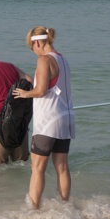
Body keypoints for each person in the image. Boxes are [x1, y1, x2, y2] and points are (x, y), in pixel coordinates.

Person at [12, 27, 75, 209]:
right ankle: (65, 207)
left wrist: (24, 94)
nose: (34, 52)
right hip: (66, 119)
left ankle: (33, 209)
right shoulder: (63, 60)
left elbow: (41, 91)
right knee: (62, 166)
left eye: (32, 48)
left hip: (48, 121)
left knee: (37, 168)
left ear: (37, 42)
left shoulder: (44, 60)